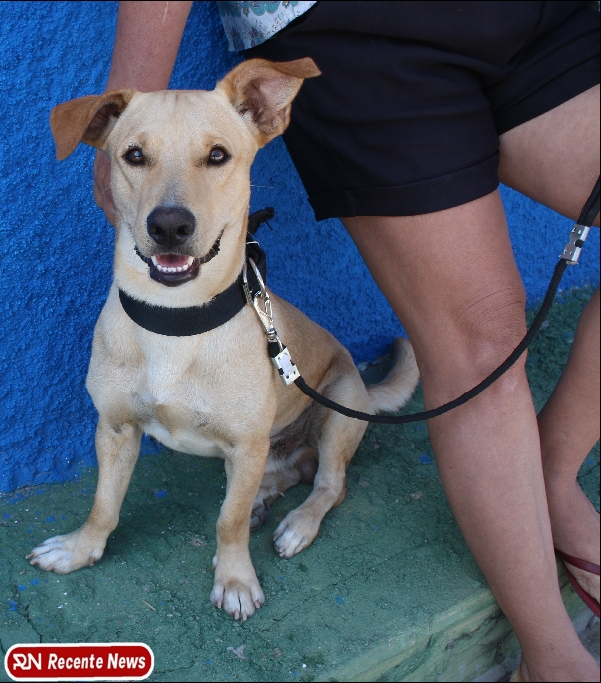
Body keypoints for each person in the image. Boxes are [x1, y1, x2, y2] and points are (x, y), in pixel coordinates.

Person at [91, 2, 600, 680]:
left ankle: (552, 470)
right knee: (483, 346)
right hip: (359, 29)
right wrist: (127, 120)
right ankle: (555, 661)